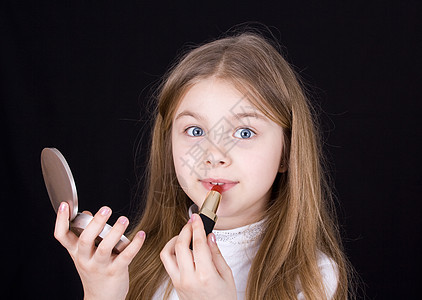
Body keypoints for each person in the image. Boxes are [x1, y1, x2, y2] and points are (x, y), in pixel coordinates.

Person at [54, 31, 352, 299]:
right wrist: (100, 293)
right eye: (195, 131)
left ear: (287, 153)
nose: (214, 155)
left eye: (244, 132)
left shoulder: (313, 278)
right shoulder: (133, 261)